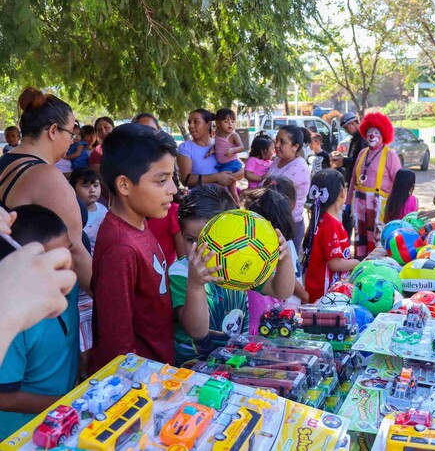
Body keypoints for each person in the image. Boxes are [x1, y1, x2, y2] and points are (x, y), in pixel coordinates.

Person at [169, 185, 295, 364]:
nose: (201, 250)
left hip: (234, 362)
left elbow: (281, 291)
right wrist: (196, 285)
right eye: (191, 240)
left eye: (210, 241)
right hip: (193, 371)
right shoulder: (181, 273)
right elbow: (197, 332)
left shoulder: (238, 265)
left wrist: (284, 257)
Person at [89, 124, 178, 372]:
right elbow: (118, 348)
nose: (173, 189)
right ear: (124, 186)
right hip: (139, 383)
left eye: (172, 177)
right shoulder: (121, 248)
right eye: (161, 181)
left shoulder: (139, 224)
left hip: (159, 368)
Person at [0, 87, 93, 295]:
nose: (72, 142)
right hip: (45, 302)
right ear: (53, 131)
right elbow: (75, 251)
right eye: (71, 133)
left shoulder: (6, 162)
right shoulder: (44, 176)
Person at [0, 205, 79, 439]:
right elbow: (4, 397)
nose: (67, 266)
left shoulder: (65, 284)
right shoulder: (13, 321)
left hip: (63, 418)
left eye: (68, 253)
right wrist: (71, 403)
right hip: (21, 433)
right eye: (54, 260)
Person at [241, 187, 307, 332]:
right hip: (259, 325)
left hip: (269, 321)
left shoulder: (282, 249)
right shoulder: (278, 249)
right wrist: (304, 295)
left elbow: (285, 289)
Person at [347, 112, 401, 259]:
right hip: (360, 204)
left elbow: (398, 182)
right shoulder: (362, 153)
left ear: (383, 134)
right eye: (369, 132)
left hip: (379, 206)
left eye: (376, 132)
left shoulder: (390, 155)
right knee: (361, 238)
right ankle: (360, 263)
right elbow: (353, 178)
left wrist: (394, 207)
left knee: (376, 239)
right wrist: (347, 202)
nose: (372, 135)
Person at [303, 169, 360, 303]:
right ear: (342, 192)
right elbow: (335, 264)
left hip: (320, 291)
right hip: (325, 296)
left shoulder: (322, 219)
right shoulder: (331, 224)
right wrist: (358, 263)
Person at [266, 125, 311, 252]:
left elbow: (274, 192)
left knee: (288, 267)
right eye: (277, 140)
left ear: (295, 147)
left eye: (283, 142)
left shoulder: (299, 168)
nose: (277, 145)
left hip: (289, 226)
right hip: (274, 222)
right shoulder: (277, 161)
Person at [177, 108, 244, 189]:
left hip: (223, 198)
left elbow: (242, 171)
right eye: (189, 122)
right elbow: (186, 180)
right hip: (202, 199)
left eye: (196, 122)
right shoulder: (186, 148)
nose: (190, 126)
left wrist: (228, 177)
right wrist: (217, 177)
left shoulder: (219, 144)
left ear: (208, 124)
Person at [331, 112, 367, 234]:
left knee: (349, 215)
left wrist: (344, 161)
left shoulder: (362, 138)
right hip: (351, 180)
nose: (347, 130)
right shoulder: (356, 138)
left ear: (353, 123)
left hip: (358, 183)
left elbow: (359, 161)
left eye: (347, 127)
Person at [69, 168, 108, 254]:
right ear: (73, 189)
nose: (92, 190)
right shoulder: (73, 215)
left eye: (96, 185)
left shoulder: (103, 209)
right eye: (86, 186)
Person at [212, 108, 244, 203]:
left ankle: (236, 205)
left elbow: (241, 147)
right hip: (221, 165)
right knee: (231, 189)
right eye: (226, 121)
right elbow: (216, 145)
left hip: (231, 164)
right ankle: (236, 205)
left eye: (233, 121)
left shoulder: (233, 135)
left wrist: (232, 150)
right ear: (218, 123)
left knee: (222, 185)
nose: (230, 124)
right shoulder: (216, 134)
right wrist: (212, 150)